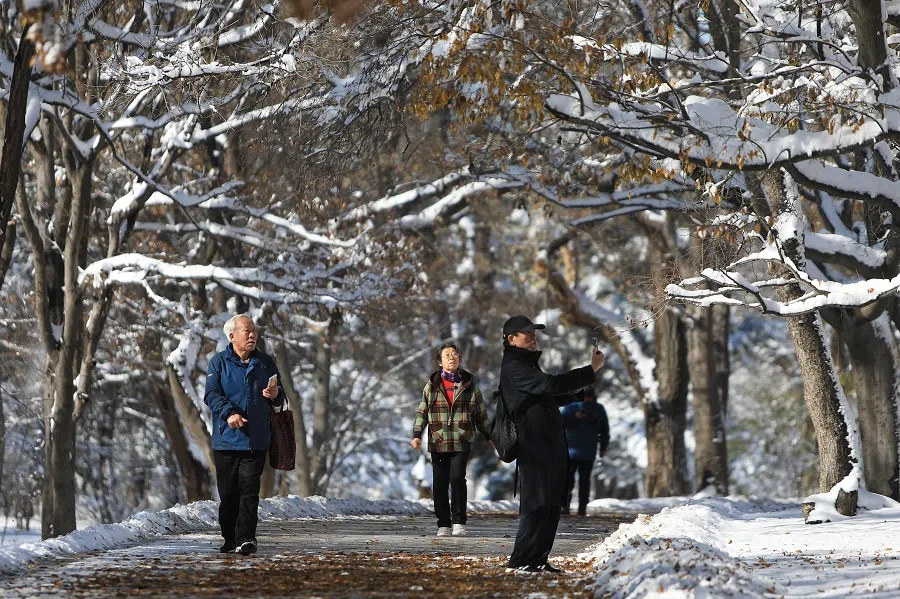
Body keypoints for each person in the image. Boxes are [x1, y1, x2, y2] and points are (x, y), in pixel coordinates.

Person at [500, 315, 605, 574]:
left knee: (550, 503)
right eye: (527, 332)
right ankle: (520, 560)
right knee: (536, 504)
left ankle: (537, 559)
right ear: (511, 339)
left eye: (534, 331)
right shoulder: (514, 366)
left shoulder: (527, 365)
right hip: (534, 445)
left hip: (548, 443)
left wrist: (578, 392)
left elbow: (546, 396)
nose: (533, 336)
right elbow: (548, 385)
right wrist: (589, 372)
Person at [204, 314, 285, 556]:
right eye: (247, 331)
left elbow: (280, 395)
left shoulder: (265, 363)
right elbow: (211, 395)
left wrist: (275, 394)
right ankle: (230, 538)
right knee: (229, 495)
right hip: (226, 440)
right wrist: (229, 414)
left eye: (254, 332)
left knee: (249, 492)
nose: (252, 335)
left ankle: (247, 538)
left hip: (256, 439)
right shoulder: (218, 363)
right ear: (232, 336)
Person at [411, 343, 492, 537]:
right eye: (447, 355)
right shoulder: (432, 385)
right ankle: (443, 524)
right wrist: (416, 434)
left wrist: (490, 436)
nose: (452, 358)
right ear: (440, 362)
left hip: (461, 438)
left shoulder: (469, 384)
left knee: (457, 479)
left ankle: (458, 522)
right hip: (438, 439)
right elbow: (422, 411)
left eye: (454, 354)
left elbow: (481, 413)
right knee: (439, 482)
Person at [561, 386, 610, 516]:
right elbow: (560, 423)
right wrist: (574, 417)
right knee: (570, 480)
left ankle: (581, 507)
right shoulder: (572, 407)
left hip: (585, 451)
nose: (586, 401)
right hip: (572, 451)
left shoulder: (596, 409)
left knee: (583, 480)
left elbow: (604, 429)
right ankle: (566, 506)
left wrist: (603, 446)